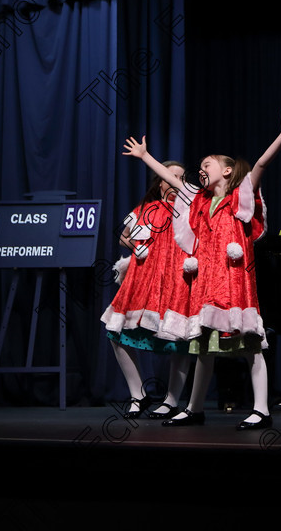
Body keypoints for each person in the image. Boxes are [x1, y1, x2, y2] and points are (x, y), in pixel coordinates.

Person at [123, 109, 281, 430]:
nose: (201, 169)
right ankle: (194, 408)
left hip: (235, 285)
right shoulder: (198, 201)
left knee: (250, 346)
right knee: (203, 348)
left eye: (206, 164)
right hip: (207, 286)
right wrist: (144, 156)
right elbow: (173, 180)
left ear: (226, 170)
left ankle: (261, 409)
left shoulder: (239, 197)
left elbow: (261, 164)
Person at [100, 161, 193, 419]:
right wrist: (134, 246)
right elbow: (123, 235)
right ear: (160, 182)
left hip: (177, 280)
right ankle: (137, 395)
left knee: (180, 340)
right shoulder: (146, 209)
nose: (176, 181)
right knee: (116, 333)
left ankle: (172, 400)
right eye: (171, 176)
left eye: (181, 177)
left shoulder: (189, 208)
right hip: (143, 280)